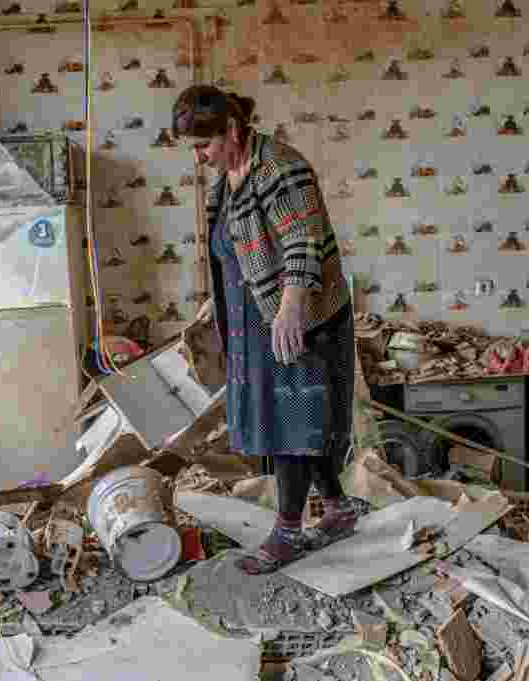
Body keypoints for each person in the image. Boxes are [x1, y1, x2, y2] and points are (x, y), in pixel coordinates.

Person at [171, 85, 357, 575]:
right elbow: (235, 250)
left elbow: (302, 240)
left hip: (299, 318)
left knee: (294, 424)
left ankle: (288, 533)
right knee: (288, 423)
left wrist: (292, 307)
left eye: (203, 145)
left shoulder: (279, 167)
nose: (199, 157)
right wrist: (218, 302)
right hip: (253, 320)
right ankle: (337, 509)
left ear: (232, 129)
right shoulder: (228, 178)